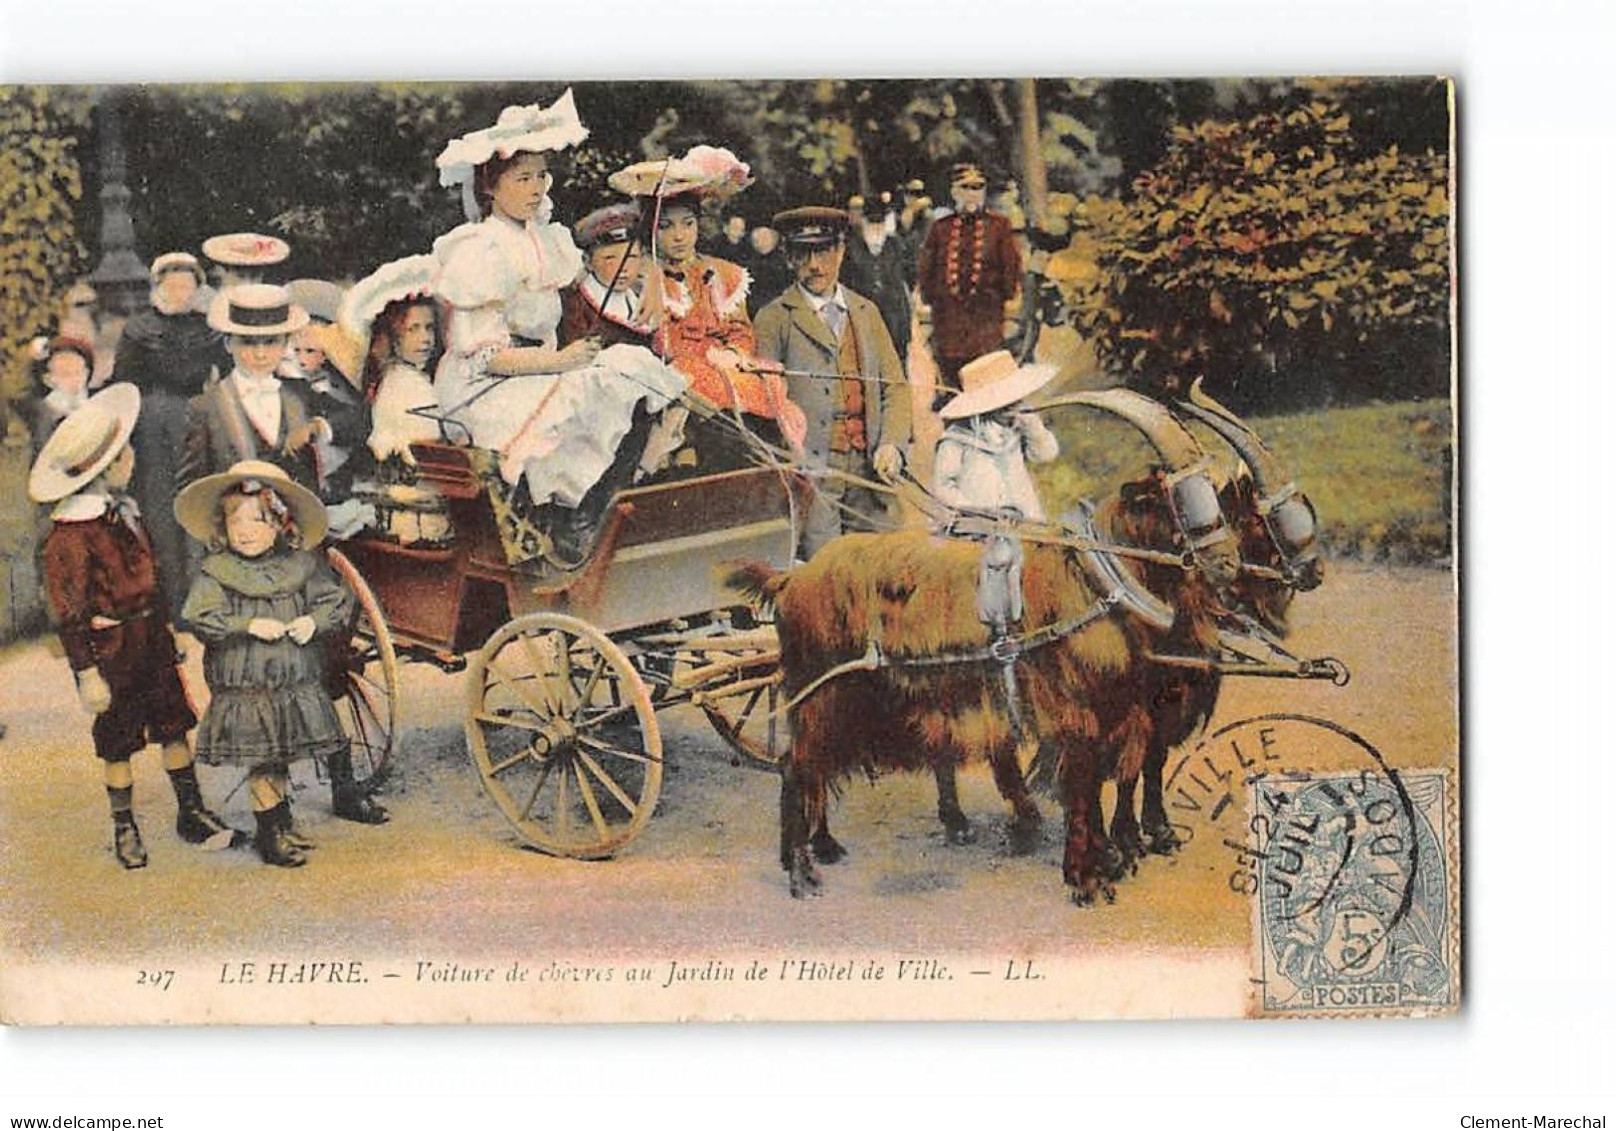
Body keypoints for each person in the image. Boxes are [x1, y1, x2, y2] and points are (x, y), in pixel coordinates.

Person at [431, 93, 686, 559]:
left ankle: (599, 505)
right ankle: (570, 516)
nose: (537, 188)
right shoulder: (480, 248)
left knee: (632, 365)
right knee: (582, 396)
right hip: (485, 385)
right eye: (523, 178)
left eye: (542, 176)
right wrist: (560, 360)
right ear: (491, 187)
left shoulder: (545, 237)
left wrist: (649, 274)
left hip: (544, 366)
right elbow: (484, 356)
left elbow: (598, 272)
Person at [30, 384, 242, 869]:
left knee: (173, 722)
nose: (132, 458)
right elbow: (69, 612)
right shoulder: (70, 535)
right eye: (124, 453)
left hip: (150, 639)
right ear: (105, 468)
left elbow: (153, 575)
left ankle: (190, 811)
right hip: (112, 649)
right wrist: (87, 672)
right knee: (119, 736)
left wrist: (168, 629)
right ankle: (124, 825)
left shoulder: (125, 512)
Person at [175, 460, 376, 868]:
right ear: (222, 527)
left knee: (281, 750)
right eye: (235, 521)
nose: (246, 531)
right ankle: (269, 834)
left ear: (281, 524)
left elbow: (332, 602)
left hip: (294, 678)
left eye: (258, 520)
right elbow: (200, 617)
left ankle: (281, 822)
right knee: (264, 758)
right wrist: (247, 624)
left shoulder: (299, 565)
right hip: (249, 684)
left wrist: (310, 621)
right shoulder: (217, 572)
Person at [753, 206, 912, 557]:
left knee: (885, 566)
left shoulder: (866, 312)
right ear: (787, 258)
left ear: (841, 251)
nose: (815, 265)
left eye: (824, 251)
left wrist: (892, 444)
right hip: (813, 478)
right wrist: (793, 459)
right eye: (803, 253)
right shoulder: (774, 319)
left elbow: (895, 388)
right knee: (827, 573)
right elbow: (765, 404)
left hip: (871, 473)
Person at [110, 252, 231, 619]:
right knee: (160, 509)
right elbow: (123, 383)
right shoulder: (138, 328)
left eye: (187, 285)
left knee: (200, 505)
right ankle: (172, 604)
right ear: (158, 288)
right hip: (152, 427)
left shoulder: (210, 327)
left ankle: (202, 602)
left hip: (198, 420)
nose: (180, 292)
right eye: (172, 285)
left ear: (198, 289)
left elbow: (227, 374)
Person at [178, 283, 325, 495]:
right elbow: (191, 493)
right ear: (228, 344)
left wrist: (317, 426)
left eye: (271, 342)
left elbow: (355, 419)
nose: (261, 354)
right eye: (248, 343)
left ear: (286, 344)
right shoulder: (205, 407)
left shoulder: (300, 393)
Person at [916, 162, 1023, 409]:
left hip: (985, 318)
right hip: (949, 319)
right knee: (952, 381)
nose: (972, 194)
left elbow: (1010, 267)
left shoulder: (999, 226)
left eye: (977, 188)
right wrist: (931, 299)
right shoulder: (940, 229)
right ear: (954, 192)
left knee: (986, 379)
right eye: (966, 188)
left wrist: (1004, 297)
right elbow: (927, 269)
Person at [339, 255, 444, 472]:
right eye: (412, 329)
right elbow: (426, 441)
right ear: (392, 336)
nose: (425, 338)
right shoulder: (405, 383)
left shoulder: (406, 376)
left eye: (429, 327)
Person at [931, 350, 1059, 522]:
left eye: (1016, 401)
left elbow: (1047, 455)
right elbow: (943, 486)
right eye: (1005, 404)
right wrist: (973, 510)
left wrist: (1035, 429)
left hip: (1025, 515)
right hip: (981, 522)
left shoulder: (1019, 427)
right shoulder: (957, 438)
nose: (1014, 407)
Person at [841, 191, 914, 364]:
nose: (876, 228)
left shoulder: (895, 246)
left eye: (879, 223)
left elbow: (906, 284)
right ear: (864, 223)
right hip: (863, 323)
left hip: (894, 323)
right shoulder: (850, 250)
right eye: (871, 223)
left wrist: (906, 328)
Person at [24, 334, 96, 455]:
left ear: (87, 373)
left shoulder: (95, 401)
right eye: (65, 374)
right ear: (49, 379)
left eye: (78, 372)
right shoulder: (48, 412)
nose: (74, 380)